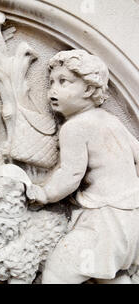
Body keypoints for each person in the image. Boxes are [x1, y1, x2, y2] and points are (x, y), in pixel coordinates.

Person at [26, 50, 139, 284]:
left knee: (57, 274)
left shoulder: (75, 127)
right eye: (51, 83)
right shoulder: (112, 120)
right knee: (111, 275)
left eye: (63, 82)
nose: (52, 91)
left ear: (88, 89)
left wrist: (44, 193)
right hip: (131, 217)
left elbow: (71, 174)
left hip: (105, 217)